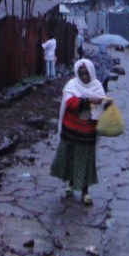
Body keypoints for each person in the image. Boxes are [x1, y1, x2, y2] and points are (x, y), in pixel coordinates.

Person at [50, 59, 109, 205]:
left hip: (87, 133)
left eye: (86, 74)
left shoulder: (97, 87)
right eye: (81, 73)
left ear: (91, 73)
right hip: (70, 131)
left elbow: (101, 108)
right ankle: (70, 184)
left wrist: (104, 104)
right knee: (70, 159)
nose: (83, 77)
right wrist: (89, 101)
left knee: (86, 163)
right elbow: (70, 103)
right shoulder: (72, 85)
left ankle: (85, 192)